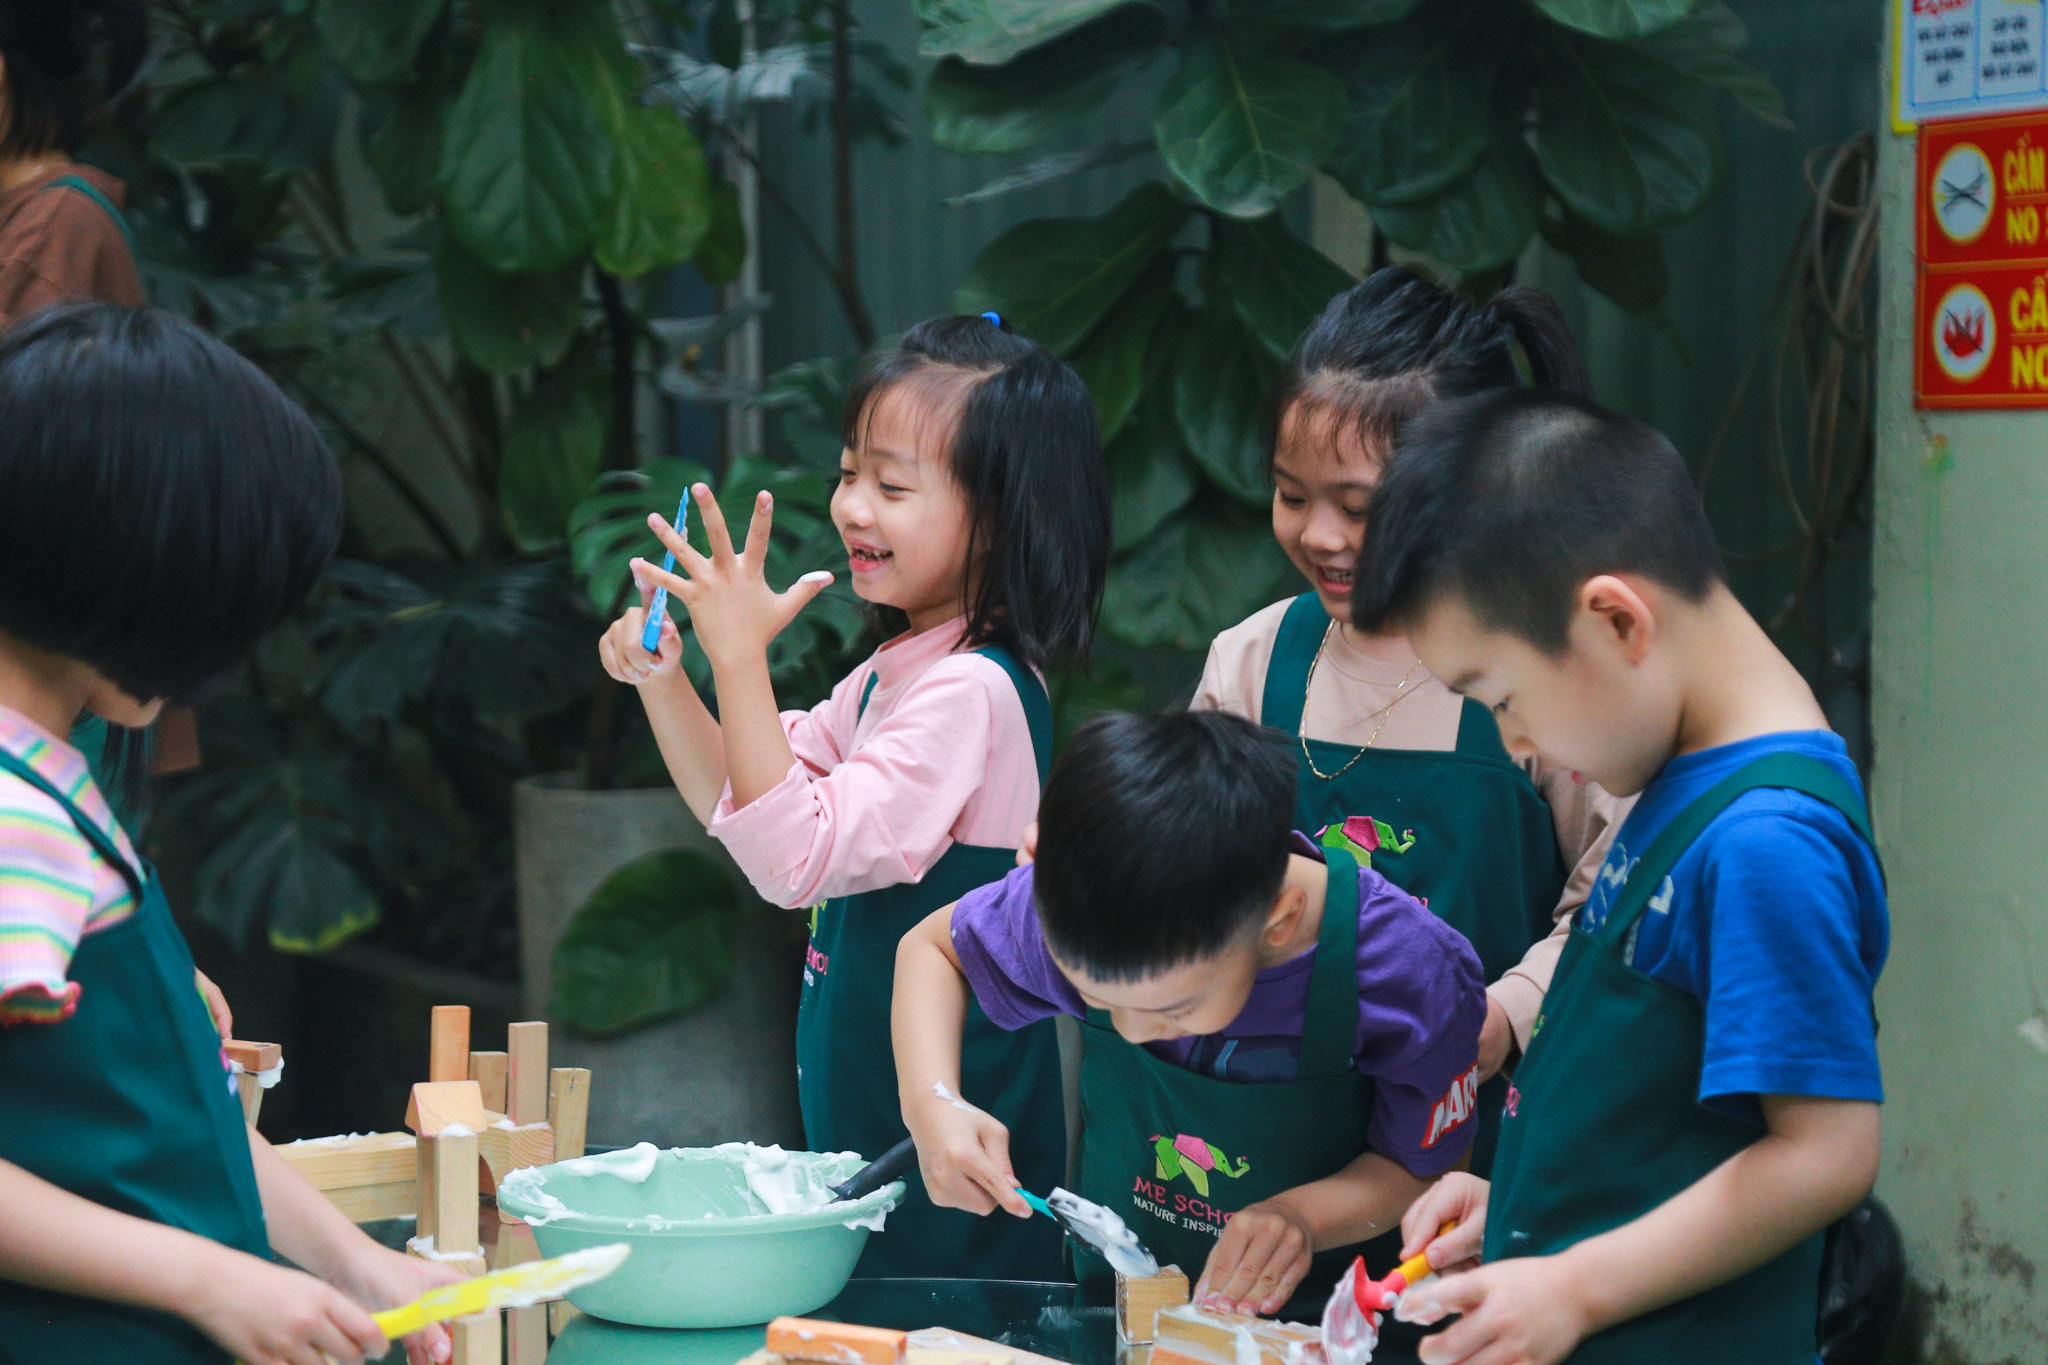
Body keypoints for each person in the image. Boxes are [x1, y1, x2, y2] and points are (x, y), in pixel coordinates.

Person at [1352, 389, 1885, 1365]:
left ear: (1614, 621)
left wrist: (1575, 1283)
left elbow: (1824, 1154)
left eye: (1502, 698)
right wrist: (1525, 1202)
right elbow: (1657, 1105)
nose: (1514, 743)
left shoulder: (1763, 842)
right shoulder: (1680, 770)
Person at [599, 313, 1111, 1279]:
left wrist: (740, 658)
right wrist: (669, 679)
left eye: (892, 486)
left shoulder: (970, 690)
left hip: (950, 1158)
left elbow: (795, 859)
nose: (852, 508)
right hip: (880, 1129)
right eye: (847, 475)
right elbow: (753, 800)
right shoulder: (900, 669)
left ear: (1004, 515)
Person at [0, 305, 461, 1364]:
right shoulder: (15, 818)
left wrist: (359, 1264)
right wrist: (209, 1280)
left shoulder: (51, 778)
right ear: (145, 581)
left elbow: (181, 1111)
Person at [1191, 270, 1630, 1332]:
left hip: (1477, 1191)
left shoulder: (1537, 680)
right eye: (1292, 495)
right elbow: (1184, 868)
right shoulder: (1253, 661)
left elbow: (1612, 904)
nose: (1321, 535)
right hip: (1269, 1175)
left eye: (1361, 507)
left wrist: (1504, 1011)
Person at [893, 709, 1486, 1320]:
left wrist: (1303, 1217)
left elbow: (1429, 1167)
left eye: (1173, 1010)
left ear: (1279, 920)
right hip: (1115, 1309)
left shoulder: (1410, 973)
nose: (1130, 1032)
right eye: (1098, 1001)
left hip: (1327, 1325)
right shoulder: (1089, 896)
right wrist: (933, 1105)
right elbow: (933, 949)